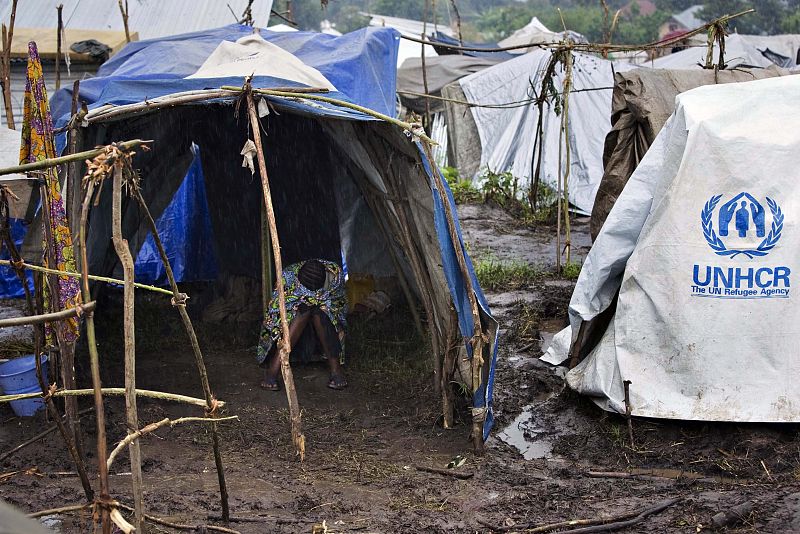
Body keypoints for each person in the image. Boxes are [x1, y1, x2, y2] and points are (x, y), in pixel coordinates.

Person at [257, 259, 348, 391]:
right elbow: (275, 309)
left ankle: (336, 370)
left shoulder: (335, 276)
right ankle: (273, 370)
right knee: (303, 311)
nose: (312, 294)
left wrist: (316, 304)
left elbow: (339, 304)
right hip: (296, 326)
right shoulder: (287, 277)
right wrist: (302, 306)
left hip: (323, 326)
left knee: (320, 313)